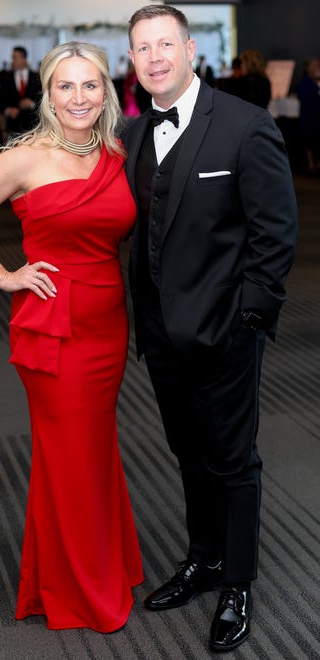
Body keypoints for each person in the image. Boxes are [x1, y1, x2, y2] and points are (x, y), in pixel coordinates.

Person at [0, 40, 143, 633]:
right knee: (70, 456)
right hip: (54, 327)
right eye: (66, 85)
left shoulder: (116, 151)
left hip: (108, 324)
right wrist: (6, 275)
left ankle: (101, 563)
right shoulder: (25, 158)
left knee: (92, 450)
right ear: (47, 93)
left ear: (106, 91)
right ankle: (80, 590)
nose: (78, 97)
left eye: (90, 85)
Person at [122, 4, 297, 652]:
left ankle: (239, 583)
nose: (155, 56)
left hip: (225, 331)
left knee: (233, 459)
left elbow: (276, 234)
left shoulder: (245, 126)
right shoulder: (135, 135)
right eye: (143, 47)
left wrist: (248, 321)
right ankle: (202, 559)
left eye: (166, 43)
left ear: (190, 48)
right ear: (133, 60)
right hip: (161, 333)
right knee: (187, 452)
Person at [0, 46, 42, 135]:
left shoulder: (37, 77)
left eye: (15, 58)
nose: (12, 61)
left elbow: (43, 99)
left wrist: (32, 104)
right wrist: (8, 110)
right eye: (12, 58)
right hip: (13, 128)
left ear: (24, 59)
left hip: (33, 128)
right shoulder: (6, 78)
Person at [296, 58, 320, 174]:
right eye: (316, 66)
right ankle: (311, 164)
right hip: (309, 116)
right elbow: (304, 95)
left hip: (315, 116)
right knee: (309, 141)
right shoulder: (305, 82)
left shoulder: (315, 82)